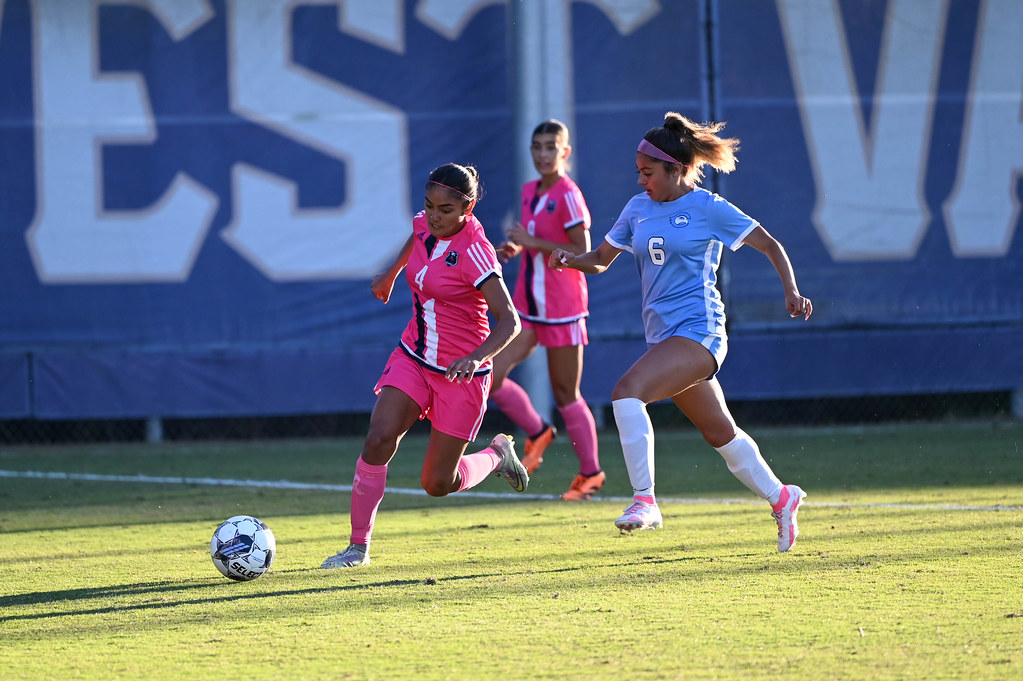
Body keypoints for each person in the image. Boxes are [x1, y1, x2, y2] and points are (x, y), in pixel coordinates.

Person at [550, 112, 813, 552]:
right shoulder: (638, 209)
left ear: (676, 169)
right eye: (638, 172)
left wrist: (791, 290)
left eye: (648, 172)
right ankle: (782, 497)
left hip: (701, 331)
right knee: (720, 433)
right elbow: (599, 258)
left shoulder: (707, 207)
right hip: (664, 337)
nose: (641, 181)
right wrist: (569, 259)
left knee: (626, 392)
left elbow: (770, 243)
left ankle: (644, 501)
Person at [321, 163, 528, 569]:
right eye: (430, 205)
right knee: (378, 439)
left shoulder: (476, 252)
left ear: (467, 209)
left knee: (437, 484)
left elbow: (511, 321)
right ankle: (357, 548)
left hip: (461, 375)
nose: (435, 216)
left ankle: (496, 454)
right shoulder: (423, 225)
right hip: (413, 358)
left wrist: (476, 357)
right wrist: (392, 274)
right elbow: (415, 239)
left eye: (447, 209)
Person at [493, 119, 604, 501]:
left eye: (550, 147)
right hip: (528, 304)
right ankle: (537, 431)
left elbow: (583, 250)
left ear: (565, 152)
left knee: (566, 394)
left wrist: (531, 240)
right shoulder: (530, 191)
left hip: (562, 307)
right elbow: (536, 241)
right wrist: (515, 248)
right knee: (490, 374)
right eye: (537, 147)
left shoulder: (569, 194)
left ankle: (590, 474)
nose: (543, 154)